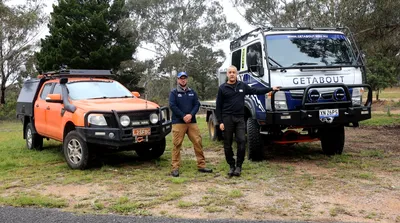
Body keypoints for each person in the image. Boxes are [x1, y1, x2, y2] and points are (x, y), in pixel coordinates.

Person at [216, 65, 280, 177]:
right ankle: (231, 166)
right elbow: (218, 106)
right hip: (227, 119)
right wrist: (220, 122)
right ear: (227, 74)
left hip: (240, 118)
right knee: (228, 144)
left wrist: (270, 89)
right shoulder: (222, 88)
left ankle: (239, 166)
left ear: (236, 74)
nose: (232, 74)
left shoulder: (242, 86)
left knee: (241, 141)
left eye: (233, 72)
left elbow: (256, 90)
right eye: (230, 72)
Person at [169, 71, 213, 177]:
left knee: (198, 142)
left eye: (184, 78)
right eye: (181, 78)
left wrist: (190, 115)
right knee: (177, 144)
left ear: (187, 79)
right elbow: (172, 106)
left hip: (192, 122)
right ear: (178, 80)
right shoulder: (174, 93)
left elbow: (196, 104)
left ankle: (201, 166)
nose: (183, 80)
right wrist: (183, 116)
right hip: (179, 122)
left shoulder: (192, 92)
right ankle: (175, 168)